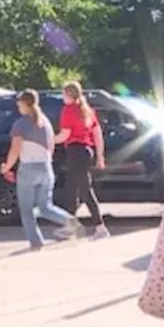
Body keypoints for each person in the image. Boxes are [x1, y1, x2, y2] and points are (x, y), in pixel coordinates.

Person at [0, 90, 82, 250]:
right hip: (46, 167)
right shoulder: (45, 122)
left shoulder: (20, 124)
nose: (18, 108)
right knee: (45, 207)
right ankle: (69, 220)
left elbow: (15, 150)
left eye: (19, 105)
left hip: (28, 168)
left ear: (25, 104)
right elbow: (51, 147)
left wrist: (6, 167)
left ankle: (36, 243)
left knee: (26, 211)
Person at [57, 81, 110, 240]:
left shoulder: (68, 110)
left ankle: (100, 227)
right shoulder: (87, 110)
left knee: (84, 190)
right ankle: (71, 226)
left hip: (75, 151)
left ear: (69, 95)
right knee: (72, 188)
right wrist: (100, 156)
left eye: (63, 94)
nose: (62, 97)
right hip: (86, 151)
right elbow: (97, 134)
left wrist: (48, 140)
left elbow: (65, 135)